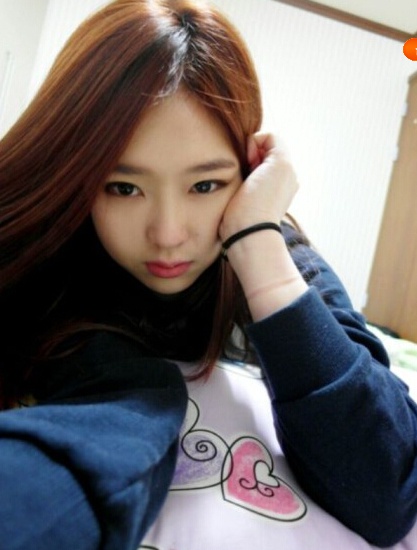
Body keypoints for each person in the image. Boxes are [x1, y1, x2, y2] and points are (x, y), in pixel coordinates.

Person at [0, 0, 416, 548]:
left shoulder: (279, 251)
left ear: (247, 172)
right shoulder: (54, 252)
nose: (168, 234)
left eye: (205, 186)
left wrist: (260, 252)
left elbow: (387, 491)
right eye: (123, 187)